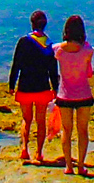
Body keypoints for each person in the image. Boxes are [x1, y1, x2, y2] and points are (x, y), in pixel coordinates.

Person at [7, 10, 59, 166]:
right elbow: (53, 70)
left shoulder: (23, 41)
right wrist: (55, 88)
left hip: (25, 86)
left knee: (26, 119)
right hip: (42, 87)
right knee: (40, 120)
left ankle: (24, 149)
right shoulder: (49, 44)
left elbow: (16, 64)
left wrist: (11, 84)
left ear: (32, 23)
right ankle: (39, 153)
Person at [54, 15, 94, 176]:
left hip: (65, 95)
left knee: (66, 130)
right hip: (84, 94)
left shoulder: (57, 49)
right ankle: (81, 166)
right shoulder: (88, 50)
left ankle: (69, 166)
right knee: (83, 131)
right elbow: (89, 72)